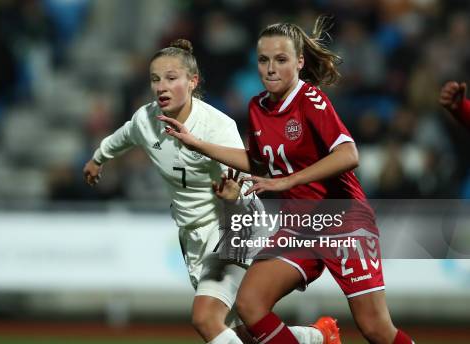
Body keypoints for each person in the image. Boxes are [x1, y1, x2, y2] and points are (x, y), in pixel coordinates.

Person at [159, 17, 415, 344]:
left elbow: (349, 155)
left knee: (375, 329)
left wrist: (287, 182)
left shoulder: (311, 100)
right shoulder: (258, 107)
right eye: (263, 60)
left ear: (299, 62)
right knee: (250, 305)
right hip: (299, 228)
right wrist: (199, 144)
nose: (270, 68)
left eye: (280, 60)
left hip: (344, 222)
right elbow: (260, 162)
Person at [84, 39, 338, 344]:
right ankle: (315, 337)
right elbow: (122, 136)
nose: (161, 87)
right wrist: (98, 159)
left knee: (205, 318)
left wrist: (233, 199)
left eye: (171, 78)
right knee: (232, 332)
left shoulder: (217, 128)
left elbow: (246, 184)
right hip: (193, 237)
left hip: (234, 227)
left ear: (193, 82)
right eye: (155, 79)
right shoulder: (146, 120)